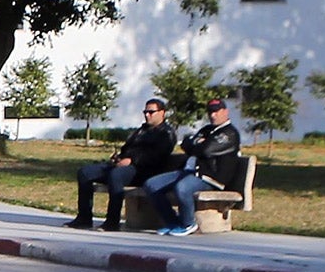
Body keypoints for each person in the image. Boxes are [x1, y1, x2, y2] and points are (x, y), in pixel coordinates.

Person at [68, 98, 175, 230]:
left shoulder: (166, 133)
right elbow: (127, 148)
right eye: (145, 112)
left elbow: (157, 155)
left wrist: (132, 160)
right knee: (85, 172)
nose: (147, 115)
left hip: (144, 171)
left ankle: (112, 222)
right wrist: (119, 157)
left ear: (162, 113)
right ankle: (84, 218)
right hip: (127, 166)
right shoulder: (141, 131)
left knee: (116, 175)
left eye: (151, 112)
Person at [143, 96, 243, 236]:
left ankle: (188, 223)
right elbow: (186, 143)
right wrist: (197, 143)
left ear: (225, 112)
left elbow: (205, 150)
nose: (213, 115)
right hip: (192, 172)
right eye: (210, 112)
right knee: (152, 184)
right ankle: (173, 222)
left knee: (182, 188)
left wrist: (198, 144)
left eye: (216, 111)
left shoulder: (229, 134)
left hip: (212, 177)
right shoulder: (207, 130)